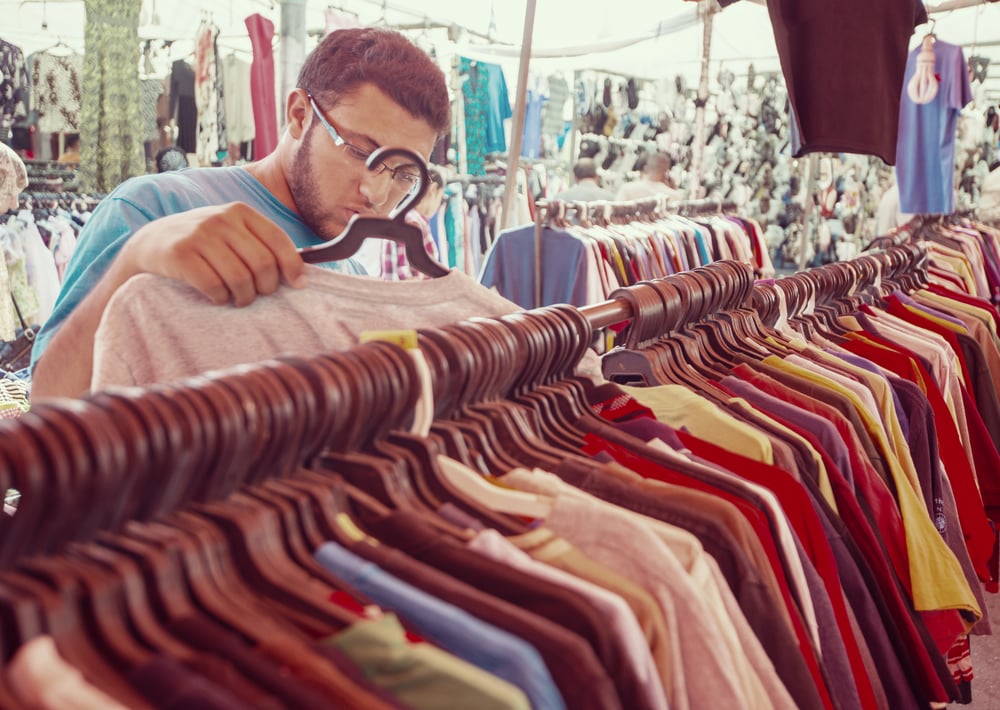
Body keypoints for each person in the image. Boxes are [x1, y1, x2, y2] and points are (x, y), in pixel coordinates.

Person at [30, 27, 451, 401]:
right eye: (361, 152)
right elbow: (50, 403)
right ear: (300, 115)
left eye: (403, 173)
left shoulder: (353, 274)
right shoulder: (156, 208)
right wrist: (136, 258)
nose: (377, 193)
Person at [378, 164, 446, 280]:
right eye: (441, 197)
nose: (438, 205)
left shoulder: (410, 219)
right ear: (433, 189)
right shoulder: (412, 222)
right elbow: (406, 277)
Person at [615, 151, 683, 202]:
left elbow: (614, 215)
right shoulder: (675, 196)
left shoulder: (627, 189)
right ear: (667, 171)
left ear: (646, 168)